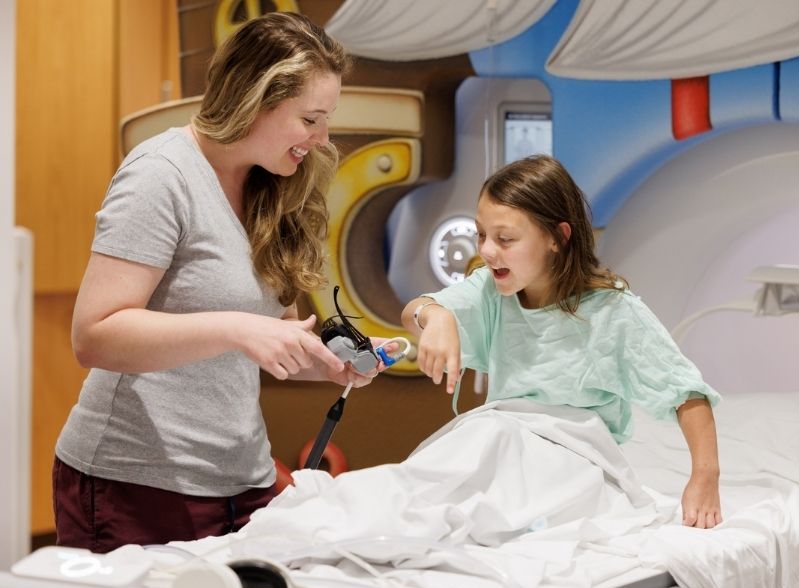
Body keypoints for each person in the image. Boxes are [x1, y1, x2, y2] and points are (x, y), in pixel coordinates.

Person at [53, 12, 375, 552]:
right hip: (133, 484)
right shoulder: (162, 175)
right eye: (310, 119)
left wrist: (321, 360)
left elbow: (261, 336)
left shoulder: (269, 187)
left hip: (239, 480)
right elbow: (94, 336)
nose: (322, 139)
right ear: (256, 99)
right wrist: (237, 329)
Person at [402, 155, 723, 529]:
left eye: (505, 238)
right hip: (503, 439)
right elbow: (413, 312)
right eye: (481, 234)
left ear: (558, 237)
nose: (487, 251)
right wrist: (436, 315)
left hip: (576, 457)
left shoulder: (613, 313)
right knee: (422, 490)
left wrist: (705, 476)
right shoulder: (491, 291)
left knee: (485, 511)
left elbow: (687, 395)